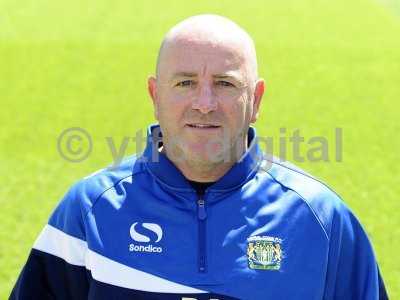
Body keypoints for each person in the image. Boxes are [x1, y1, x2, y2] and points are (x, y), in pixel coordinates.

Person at [10, 14, 388, 300]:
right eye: (185, 83)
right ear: (155, 96)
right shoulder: (88, 210)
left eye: (225, 84)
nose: (204, 104)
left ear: (254, 100)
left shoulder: (321, 220)